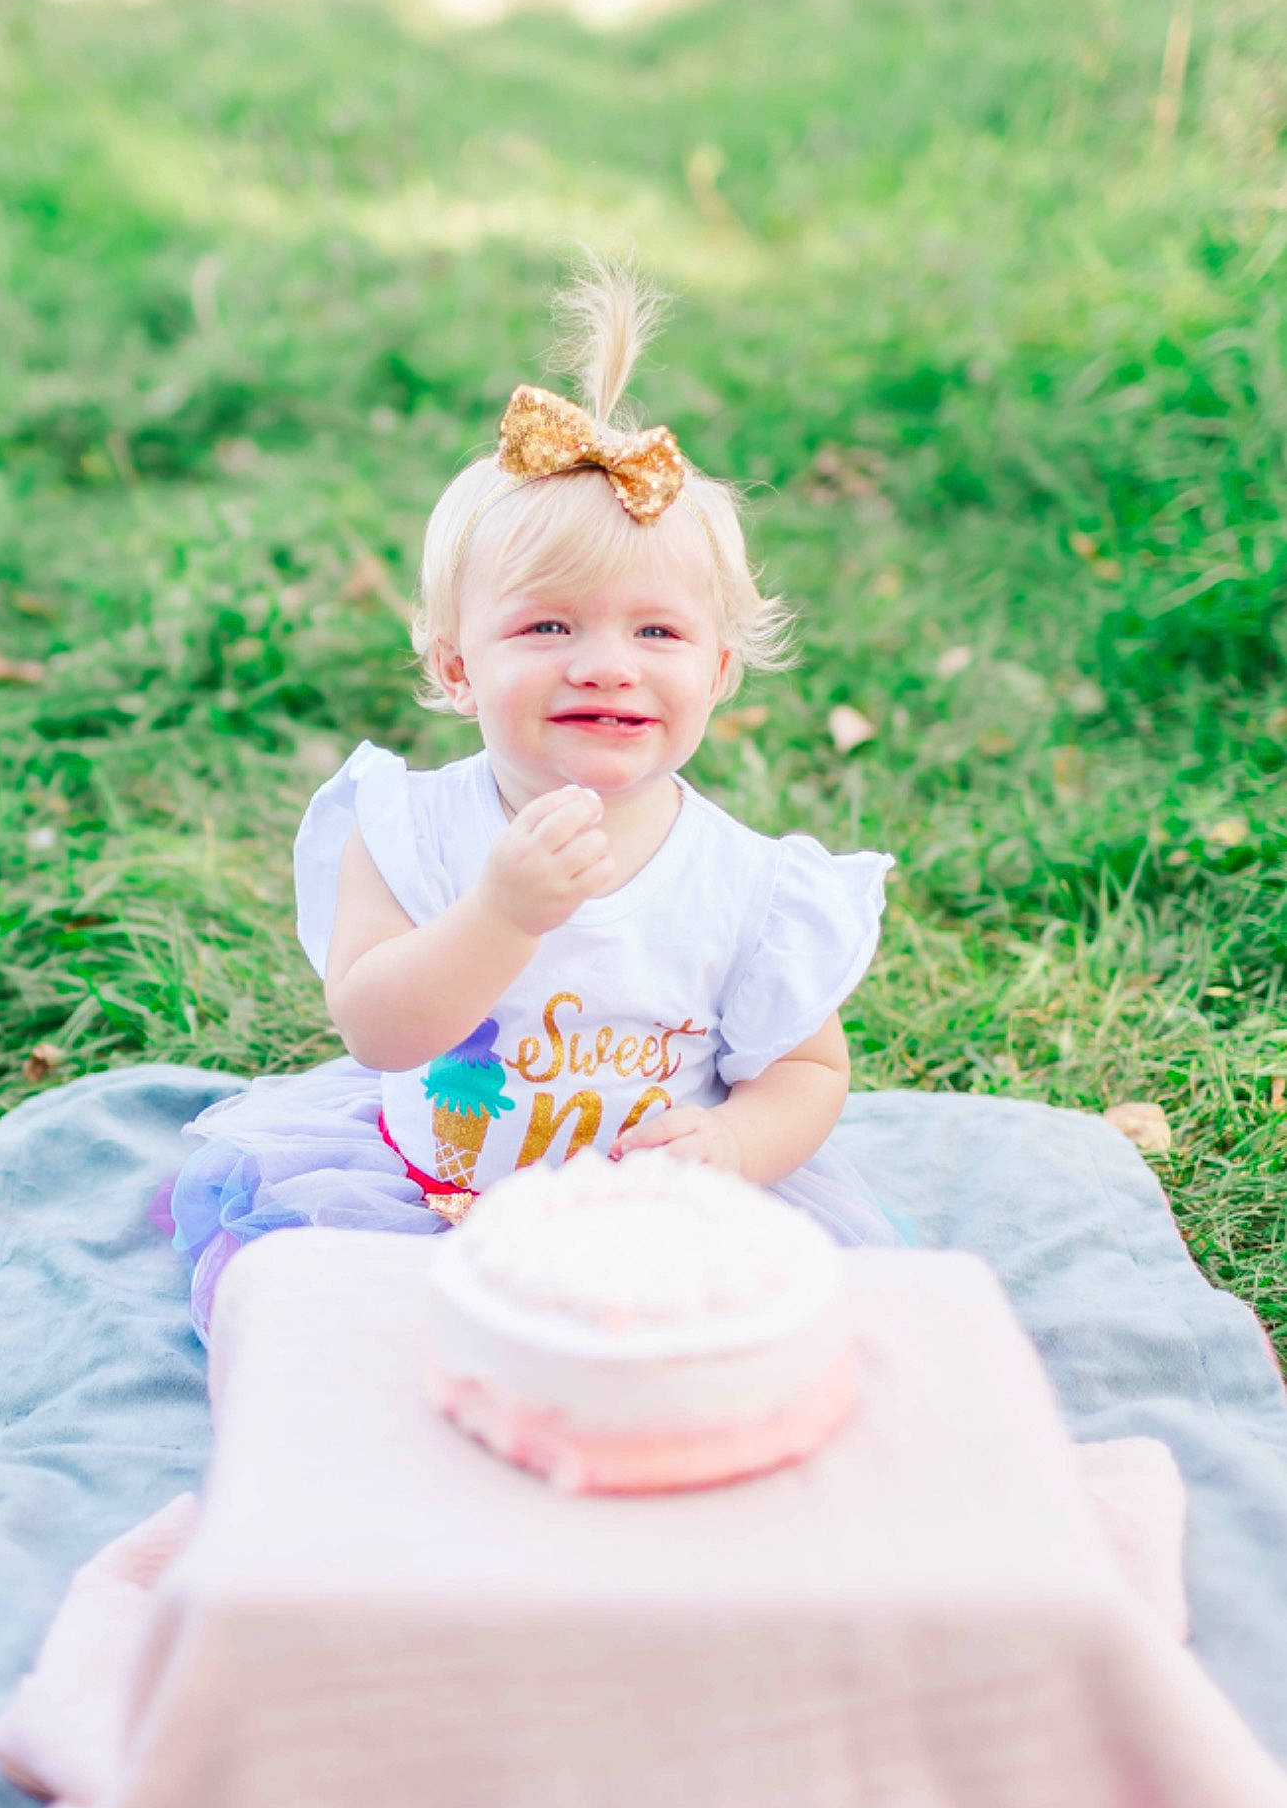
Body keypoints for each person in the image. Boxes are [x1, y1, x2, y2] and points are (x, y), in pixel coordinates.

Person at [161, 260, 902, 1341]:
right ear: (457, 667)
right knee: (349, 1342)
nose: (605, 665)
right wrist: (500, 914)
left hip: (654, 1234)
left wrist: (736, 1145)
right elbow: (377, 1028)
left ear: (718, 671)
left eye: (657, 631)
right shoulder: (407, 832)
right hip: (427, 1200)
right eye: (548, 626)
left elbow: (806, 1068)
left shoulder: (750, 885)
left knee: (714, 1363)